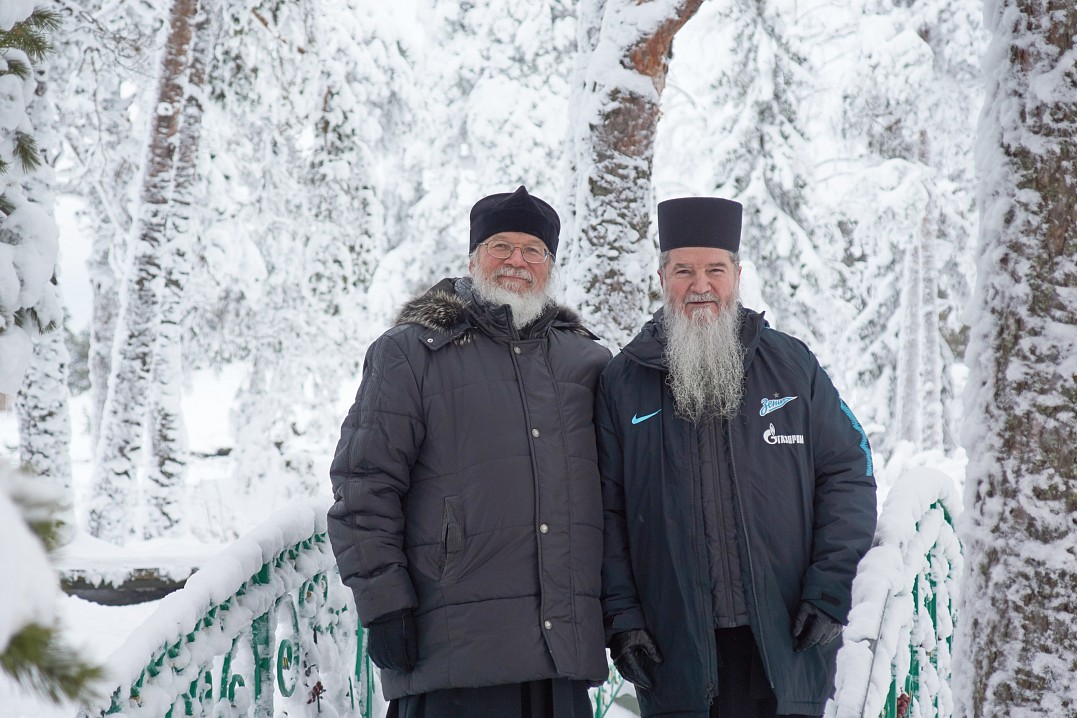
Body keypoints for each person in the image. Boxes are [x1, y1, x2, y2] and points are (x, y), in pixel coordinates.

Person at [327, 186, 612, 718]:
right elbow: (363, 487)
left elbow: (612, 502)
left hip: (560, 662)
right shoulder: (410, 353)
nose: (516, 261)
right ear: (474, 256)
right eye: (501, 246)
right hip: (452, 654)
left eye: (533, 250)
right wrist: (385, 606)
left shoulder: (587, 363)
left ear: (550, 265)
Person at [596, 197, 877, 718]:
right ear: (662, 277)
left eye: (714, 269)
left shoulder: (792, 366)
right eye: (684, 270)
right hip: (673, 651)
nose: (700, 285)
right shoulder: (623, 381)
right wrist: (622, 618)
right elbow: (606, 513)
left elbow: (848, 473)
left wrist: (831, 588)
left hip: (785, 642)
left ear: (737, 274)